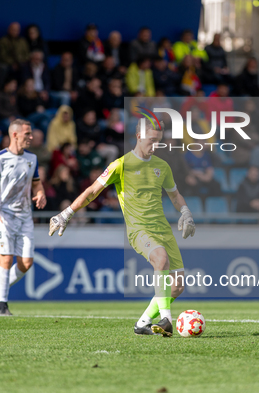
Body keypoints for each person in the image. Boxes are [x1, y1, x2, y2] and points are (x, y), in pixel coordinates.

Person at [49, 120, 196, 337]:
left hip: (163, 229)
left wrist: (185, 212)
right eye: (152, 141)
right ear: (138, 136)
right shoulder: (121, 164)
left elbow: (174, 195)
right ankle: (167, 320)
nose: (155, 146)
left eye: (159, 142)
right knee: (160, 259)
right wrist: (67, 213)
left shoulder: (162, 166)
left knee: (177, 286)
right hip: (139, 229)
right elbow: (92, 191)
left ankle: (142, 323)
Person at [0, 119, 46, 316]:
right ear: (15, 135)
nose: (31, 137)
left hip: (25, 216)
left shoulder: (32, 159)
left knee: (26, 263)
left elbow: (36, 183)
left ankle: (1, 286)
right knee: (6, 259)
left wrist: (41, 193)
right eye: (27, 133)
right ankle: (3, 307)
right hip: (4, 216)